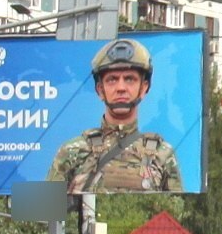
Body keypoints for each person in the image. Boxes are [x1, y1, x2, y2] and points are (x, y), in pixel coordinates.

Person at [49, 38, 184, 193]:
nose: (121, 88)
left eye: (129, 79)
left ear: (144, 87)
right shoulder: (71, 151)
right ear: (100, 89)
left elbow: (176, 214)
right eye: (112, 79)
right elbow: (39, 214)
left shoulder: (163, 154)